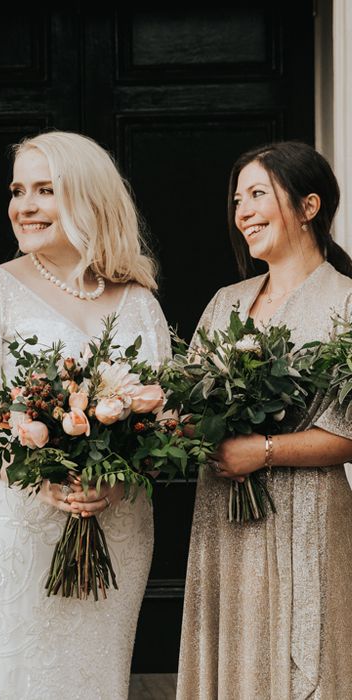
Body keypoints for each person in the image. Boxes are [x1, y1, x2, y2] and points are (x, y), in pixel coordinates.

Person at [0, 131, 170, 699]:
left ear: (87, 197)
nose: (23, 206)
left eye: (45, 190)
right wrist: (29, 474)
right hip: (8, 532)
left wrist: (121, 476)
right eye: (17, 190)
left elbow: (161, 424)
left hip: (115, 529)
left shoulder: (140, 303)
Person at [177, 141, 352, 699]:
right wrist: (187, 427)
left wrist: (265, 449)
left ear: (309, 207)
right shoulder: (226, 303)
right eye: (237, 200)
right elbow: (188, 400)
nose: (243, 212)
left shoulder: (346, 304)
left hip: (308, 512)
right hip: (223, 514)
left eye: (258, 194)